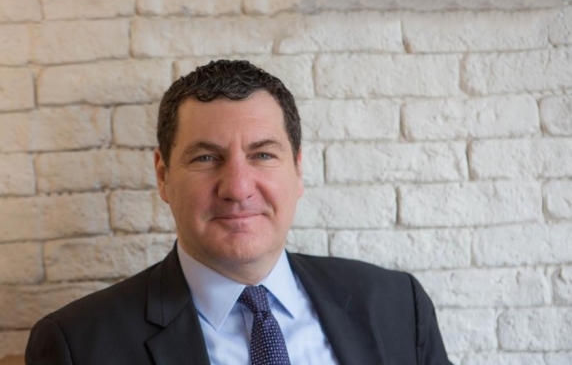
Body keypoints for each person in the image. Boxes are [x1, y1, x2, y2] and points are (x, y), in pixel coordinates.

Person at [25, 60, 452, 365]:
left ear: (298, 170)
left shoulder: (398, 305)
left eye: (263, 155)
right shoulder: (77, 345)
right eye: (206, 158)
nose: (237, 188)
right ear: (163, 175)